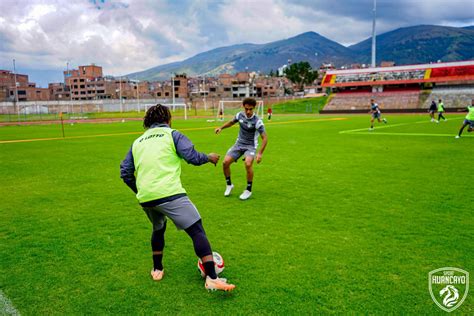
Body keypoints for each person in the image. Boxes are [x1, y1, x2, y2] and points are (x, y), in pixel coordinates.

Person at [120, 104, 235, 292]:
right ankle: (212, 278)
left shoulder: (137, 142)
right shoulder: (172, 134)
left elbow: (125, 172)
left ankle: (157, 269)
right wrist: (209, 157)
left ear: (148, 121)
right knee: (197, 229)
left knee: (158, 228)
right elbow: (191, 156)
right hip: (169, 193)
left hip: (146, 198)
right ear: (168, 119)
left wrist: (141, 190)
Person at [215, 98, 268, 200]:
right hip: (239, 144)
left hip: (250, 146)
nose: (248, 111)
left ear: (254, 108)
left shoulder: (257, 121)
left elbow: (265, 138)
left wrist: (260, 153)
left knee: (248, 164)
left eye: (251, 109)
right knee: (225, 163)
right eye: (246, 109)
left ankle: (248, 190)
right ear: (243, 107)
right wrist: (221, 128)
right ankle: (229, 185)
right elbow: (231, 122)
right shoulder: (239, 115)